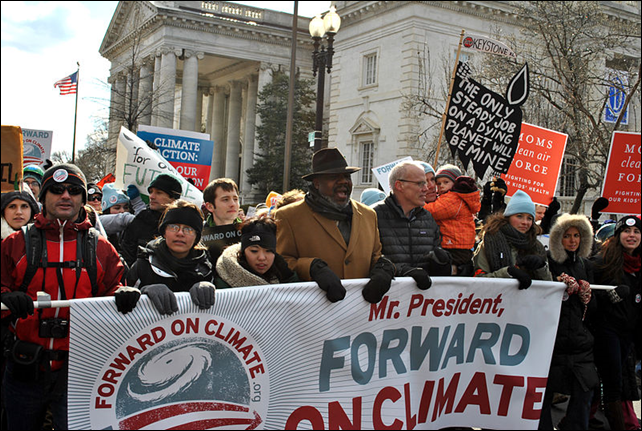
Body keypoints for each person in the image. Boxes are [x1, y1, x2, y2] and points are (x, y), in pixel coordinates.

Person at [0, 163, 139, 430]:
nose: (66, 196)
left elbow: (114, 292)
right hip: (24, 369)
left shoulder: (101, 248)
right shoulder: (14, 243)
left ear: (82, 199)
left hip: (80, 373)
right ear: (42, 197)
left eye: (74, 190)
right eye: (56, 189)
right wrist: (7, 299)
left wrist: (124, 295)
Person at [275, 147, 395, 303]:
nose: (344, 181)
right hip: (315, 311)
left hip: (361, 311)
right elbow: (281, 261)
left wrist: (384, 268)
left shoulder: (368, 215)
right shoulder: (289, 216)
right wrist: (311, 267)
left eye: (347, 176)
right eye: (334, 177)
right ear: (317, 183)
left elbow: (375, 256)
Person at [538, 214, 598, 430]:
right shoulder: (548, 264)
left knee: (584, 395)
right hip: (553, 343)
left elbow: (592, 310)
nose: (573, 241)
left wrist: (587, 297)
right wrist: (557, 286)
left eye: (577, 236)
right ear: (557, 239)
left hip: (580, 344)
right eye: (567, 236)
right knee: (542, 397)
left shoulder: (586, 265)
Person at [591, 215, 641, 430]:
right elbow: (588, 289)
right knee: (613, 381)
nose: (632, 236)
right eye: (627, 232)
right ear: (618, 235)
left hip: (629, 332)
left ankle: (579, 418)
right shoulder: (603, 260)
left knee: (614, 379)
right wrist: (608, 295)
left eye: (637, 232)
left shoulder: (638, 263)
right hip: (607, 330)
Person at [127, 200, 215, 315]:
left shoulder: (205, 269)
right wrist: (143, 292)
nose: (180, 233)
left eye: (188, 229)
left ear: (196, 237)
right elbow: (123, 302)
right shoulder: (144, 264)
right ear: (164, 232)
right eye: (174, 227)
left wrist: (212, 287)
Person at [371, 161, 450, 291]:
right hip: (385, 304)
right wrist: (402, 271)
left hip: (422, 303)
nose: (426, 188)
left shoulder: (428, 218)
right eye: (420, 183)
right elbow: (366, 261)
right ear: (399, 185)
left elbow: (436, 262)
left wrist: (442, 263)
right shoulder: (372, 216)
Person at [473, 190, 552, 288]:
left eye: (529, 218)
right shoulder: (490, 241)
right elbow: (478, 280)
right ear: (508, 217)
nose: (525, 222)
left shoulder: (537, 246)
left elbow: (550, 285)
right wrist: (508, 272)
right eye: (519, 216)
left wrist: (541, 267)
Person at [424, 164, 480, 276]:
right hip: (458, 246)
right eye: (438, 183)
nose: (441, 186)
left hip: (454, 247)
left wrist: (417, 204)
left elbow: (433, 211)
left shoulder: (453, 199)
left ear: (456, 184)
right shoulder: (451, 198)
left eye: (446, 182)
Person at [215, 217, 299, 288]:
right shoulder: (224, 281)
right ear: (243, 251)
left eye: (269, 251)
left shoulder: (285, 274)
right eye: (254, 251)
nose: (262, 257)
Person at [119, 173, 182, 266]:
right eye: (151, 192)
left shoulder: (183, 222)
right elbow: (126, 255)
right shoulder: (140, 220)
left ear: (173, 197)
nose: (152, 196)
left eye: (158, 192)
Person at [200, 178, 244, 266]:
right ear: (210, 206)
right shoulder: (199, 234)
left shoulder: (249, 230)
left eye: (235, 199)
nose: (233, 204)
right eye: (225, 199)